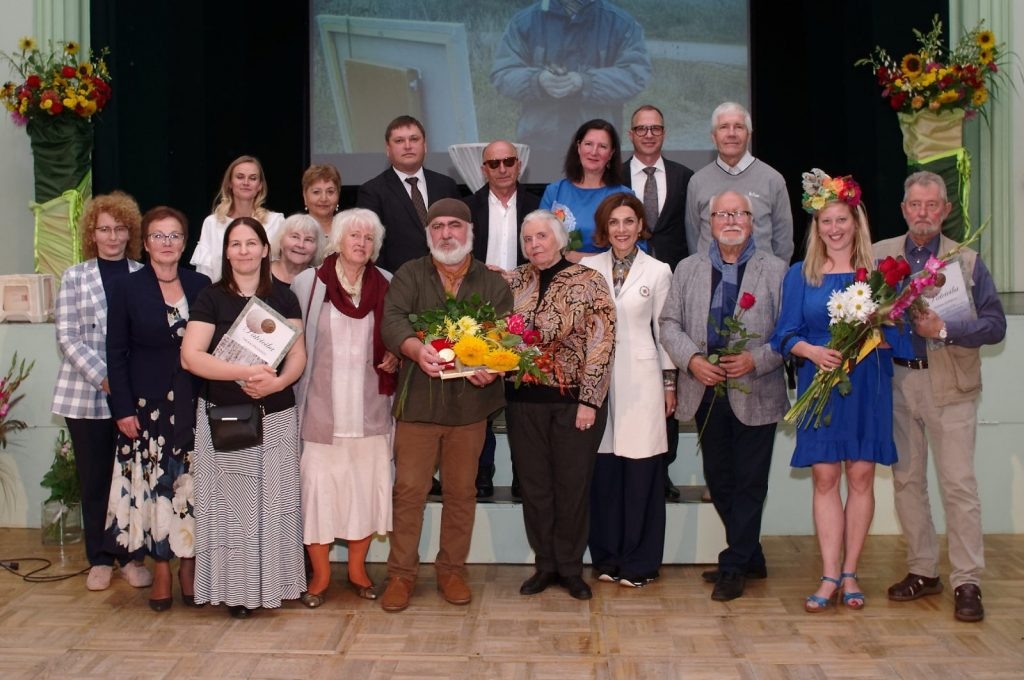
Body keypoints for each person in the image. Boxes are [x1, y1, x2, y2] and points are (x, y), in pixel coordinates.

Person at [874, 171, 1006, 623]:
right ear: (904, 209)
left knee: (958, 486)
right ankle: (923, 569)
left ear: (946, 210)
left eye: (933, 205)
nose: (924, 213)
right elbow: (860, 314)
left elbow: (996, 325)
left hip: (950, 385)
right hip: (897, 384)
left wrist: (945, 330)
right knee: (908, 482)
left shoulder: (966, 261)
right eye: (916, 205)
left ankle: (967, 580)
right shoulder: (879, 256)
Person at [770, 171, 897, 613]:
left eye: (841, 219)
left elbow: (893, 335)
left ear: (855, 221)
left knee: (860, 476)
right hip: (817, 382)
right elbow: (783, 336)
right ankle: (828, 574)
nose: (834, 228)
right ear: (816, 227)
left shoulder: (877, 275)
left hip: (868, 384)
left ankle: (851, 573)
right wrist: (811, 350)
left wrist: (884, 323)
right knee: (826, 478)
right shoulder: (798, 275)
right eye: (826, 221)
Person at [378, 198, 513, 613]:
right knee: (409, 493)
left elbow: (504, 333)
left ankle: (452, 570)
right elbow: (393, 321)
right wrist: (415, 349)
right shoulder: (410, 273)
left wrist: (492, 365)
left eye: (454, 225)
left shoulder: (491, 282)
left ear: (469, 231)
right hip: (419, 405)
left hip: (470, 408)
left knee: (461, 493)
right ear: (428, 234)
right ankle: (400, 576)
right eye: (437, 226)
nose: (446, 233)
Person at [660, 191, 788, 601]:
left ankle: (734, 565)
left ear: (752, 220)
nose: (730, 220)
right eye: (722, 214)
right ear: (708, 223)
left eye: (739, 213)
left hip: (758, 390)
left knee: (750, 481)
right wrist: (692, 360)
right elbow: (669, 323)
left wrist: (757, 359)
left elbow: (789, 333)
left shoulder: (777, 271)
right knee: (720, 479)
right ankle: (751, 554)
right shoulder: (687, 268)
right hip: (705, 388)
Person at [181, 217, 307, 619]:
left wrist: (278, 382)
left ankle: (276, 585)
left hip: (276, 414)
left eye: (251, 243)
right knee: (233, 507)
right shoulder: (210, 297)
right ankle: (236, 591)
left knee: (274, 503)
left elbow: (298, 354)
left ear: (265, 249)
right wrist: (245, 373)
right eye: (235, 244)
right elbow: (191, 357)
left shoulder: (285, 297)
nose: (244, 250)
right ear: (227, 252)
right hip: (227, 415)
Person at [104, 206, 211, 611]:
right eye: (159, 236)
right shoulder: (127, 288)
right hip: (146, 409)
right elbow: (116, 353)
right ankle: (162, 570)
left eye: (175, 236)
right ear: (146, 243)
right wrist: (122, 408)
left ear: (185, 244)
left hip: (195, 404)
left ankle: (190, 565)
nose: (167, 243)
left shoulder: (201, 284)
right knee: (158, 489)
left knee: (191, 490)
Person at [506, 209, 615, 601]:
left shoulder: (589, 281)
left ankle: (570, 567)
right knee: (535, 488)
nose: (535, 244)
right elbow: (497, 335)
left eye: (541, 236)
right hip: (522, 402)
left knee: (571, 487)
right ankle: (545, 564)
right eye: (528, 239)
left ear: (559, 239)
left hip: (574, 403)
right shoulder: (515, 281)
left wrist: (590, 399)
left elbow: (602, 342)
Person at [292, 208, 399, 607]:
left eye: (369, 238)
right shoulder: (309, 283)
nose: (361, 243)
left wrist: (396, 355)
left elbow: (397, 334)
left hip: (371, 411)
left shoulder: (387, 282)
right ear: (337, 240)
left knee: (364, 495)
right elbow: (291, 341)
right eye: (354, 235)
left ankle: (357, 570)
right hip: (321, 412)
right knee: (319, 495)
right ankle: (320, 577)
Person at [51, 191, 152, 592]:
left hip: (133, 395)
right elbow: (68, 338)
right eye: (104, 229)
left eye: (120, 229)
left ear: (131, 232)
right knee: (94, 479)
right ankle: (99, 558)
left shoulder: (142, 274)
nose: (112, 236)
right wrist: (107, 377)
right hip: (87, 393)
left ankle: (131, 556)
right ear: (92, 233)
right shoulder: (75, 276)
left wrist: (127, 382)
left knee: (130, 478)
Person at [582, 193, 673, 588]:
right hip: (596, 382)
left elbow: (665, 332)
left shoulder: (658, 271)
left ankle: (640, 564)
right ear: (605, 228)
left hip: (642, 380)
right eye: (614, 222)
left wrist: (670, 383)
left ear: (640, 226)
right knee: (604, 473)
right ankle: (606, 558)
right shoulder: (587, 267)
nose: (621, 229)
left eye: (628, 221)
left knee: (640, 474)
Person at [624, 103, 694, 500]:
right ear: (630, 134)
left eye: (655, 128)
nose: (648, 134)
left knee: (669, 379)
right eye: (641, 129)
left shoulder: (685, 177)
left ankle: (662, 471)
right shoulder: (615, 176)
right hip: (625, 289)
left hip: (670, 288)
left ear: (664, 133)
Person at [463, 139, 541, 498]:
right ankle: (482, 474)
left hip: (527, 308)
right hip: (479, 310)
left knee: (522, 402)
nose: (502, 168)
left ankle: (525, 476)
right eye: (494, 163)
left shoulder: (539, 207)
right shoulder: (468, 208)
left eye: (508, 161)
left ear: (519, 164)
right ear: (484, 169)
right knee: (481, 396)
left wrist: (519, 276)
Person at [490, 0, 651, 151]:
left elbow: (635, 76)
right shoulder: (525, 22)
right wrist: (537, 81)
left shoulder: (622, 24)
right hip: (538, 145)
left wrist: (586, 83)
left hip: (599, 147)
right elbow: (503, 73)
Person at [685, 102, 793, 263]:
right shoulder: (697, 182)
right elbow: (694, 239)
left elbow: (783, 243)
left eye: (738, 127)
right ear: (713, 137)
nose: (731, 133)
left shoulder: (773, 179)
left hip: (761, 281)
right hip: (709, 281)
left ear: (749, 135)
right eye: (723, 127)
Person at [356, 115, 460, 273]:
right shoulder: (372, 191)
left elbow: (462, 235)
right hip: (399, 285)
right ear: (388, 149)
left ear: (424, 146)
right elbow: (372, 246)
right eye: (399, 141)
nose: (407, 146)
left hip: (450, 280)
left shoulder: (446, 186)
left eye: (414, 139)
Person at [540, 119, 634, 262]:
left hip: (608, 279)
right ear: (578, 147)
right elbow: (538, 241)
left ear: (611, 153)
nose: (594, 152)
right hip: (557, 278)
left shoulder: (624, 197)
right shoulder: (554, 192)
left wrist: (582, 258)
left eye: (602, 146)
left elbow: (637, 250)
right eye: (588, 144)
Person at [190, 155, 285, 282]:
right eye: (240, 177)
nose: (246, 182)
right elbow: (204, 274)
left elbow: (283, 270)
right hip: (221, 298)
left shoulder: (275, 222)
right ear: (229, 183)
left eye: (253, 178)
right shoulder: (212, 223)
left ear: (260, 185)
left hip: (265, 297)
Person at [271, 213, 325, 285]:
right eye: (295, 237)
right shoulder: (259, 271)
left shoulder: (321, 281)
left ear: (317, 248)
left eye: (308, 240)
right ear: (280, 240)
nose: (301, 245)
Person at [301, 163, 342, 239]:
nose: (323, 199)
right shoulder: (294, 229)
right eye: (316, 192)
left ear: (338, 195)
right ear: (305, 196)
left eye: (330, 192)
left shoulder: (348, 230)